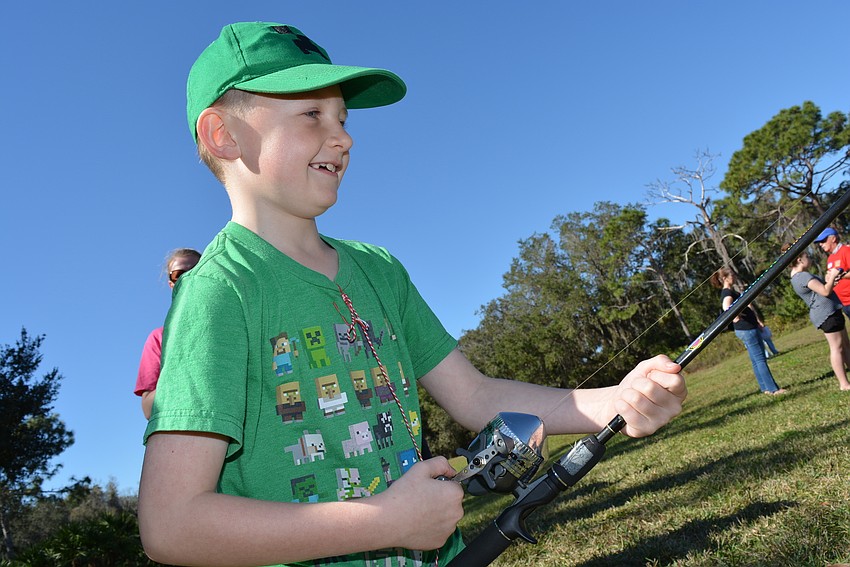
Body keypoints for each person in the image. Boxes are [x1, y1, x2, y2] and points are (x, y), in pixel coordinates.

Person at [138, 22, 687, 567]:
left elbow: (473, 396)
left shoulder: (380, 270)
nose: (344, 137)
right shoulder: (219, 291)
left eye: (343, 119)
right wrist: (385, 520)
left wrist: (613, 401)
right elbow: (172, 525)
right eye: (312, 115)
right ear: (222, 135)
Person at [134, 248, 201, 419]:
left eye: (196, 270)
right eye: (179, 274)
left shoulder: (231, 325)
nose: (187, 278)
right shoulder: (158, 338)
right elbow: (148, 409)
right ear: (171, 283)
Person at [783, 244, 850, 390]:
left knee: (845, 345)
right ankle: (844, 384)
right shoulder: (803, 277)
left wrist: (832, 280)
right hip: (826, 314)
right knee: (837, 348)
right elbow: (825, 292)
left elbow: (822, 290)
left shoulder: (799, 276)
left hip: (831, 311)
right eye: (807, 256)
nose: (810, 258)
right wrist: (832, 276)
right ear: (800, 259)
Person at [710, 266, 786, 395]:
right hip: (746, 329)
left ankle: (765, 388)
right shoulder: (727, 293)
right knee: (760, 359)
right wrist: (735, 318)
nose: (734, 277)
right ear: (724, 278)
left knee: (756, 360)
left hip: (747, 329)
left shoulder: (729, 292)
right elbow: (726, 307)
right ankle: (774, 389)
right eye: (732, 275)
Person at [814, 227, 850, 316]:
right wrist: (828, 278)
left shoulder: (846, 251)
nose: (821, 244)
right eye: (819, 242)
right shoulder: (830, 258)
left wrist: (841, 276)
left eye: (823, 241)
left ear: (833, 239)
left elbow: (839, 275)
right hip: (844, 303)